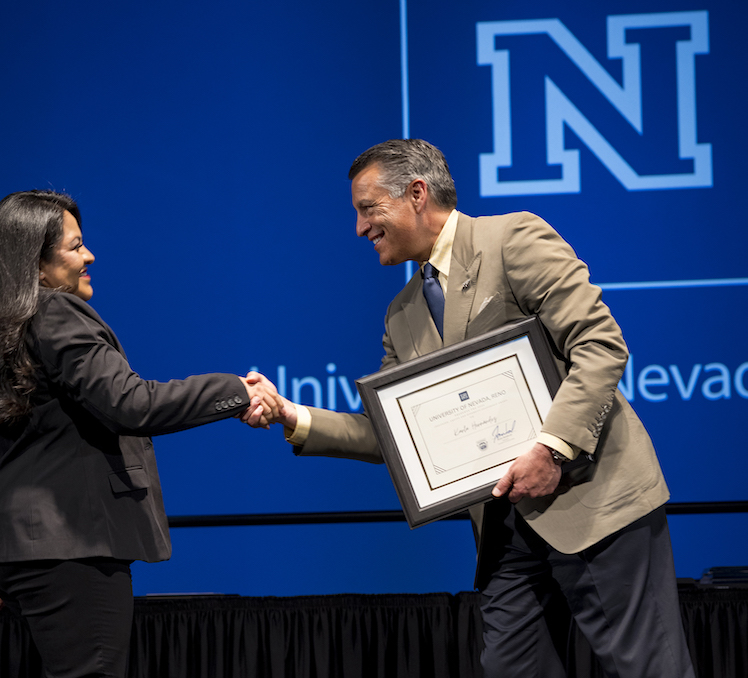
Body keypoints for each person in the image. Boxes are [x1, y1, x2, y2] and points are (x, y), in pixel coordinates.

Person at [263, 139, 695, 677]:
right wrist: (293, 416)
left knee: (647, 670)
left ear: (417, 194)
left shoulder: (512, 238)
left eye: (368, 209)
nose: (359, 228)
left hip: (594, 502)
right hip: (502, 527)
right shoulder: (401, 313)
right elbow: (394, 436)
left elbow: (600, 345)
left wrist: (551, 450)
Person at [0, 189, 280, 678]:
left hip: (15, 559)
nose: (89, 255)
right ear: (34, 264)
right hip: (72, 550)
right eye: (76, 246)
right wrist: (236, 391)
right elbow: (131, 404)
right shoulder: (54, 312)